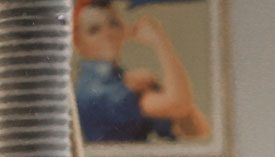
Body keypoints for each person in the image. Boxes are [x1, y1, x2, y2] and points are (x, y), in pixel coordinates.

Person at [73, 0, 212, 144]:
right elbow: (178, 103)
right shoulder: (94, 89)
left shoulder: (125, 81)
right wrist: (160, 41)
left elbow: (196, 130)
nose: (108, 34)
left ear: (123, 29)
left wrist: (155, 86)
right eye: (94, 30)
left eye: (113, 24)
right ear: (78, 41)